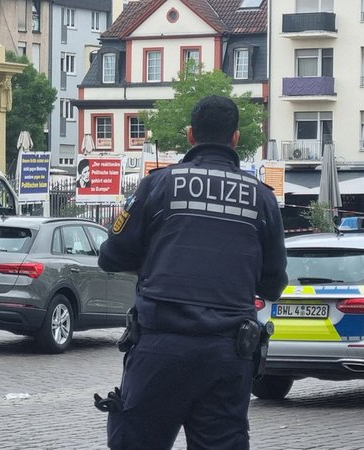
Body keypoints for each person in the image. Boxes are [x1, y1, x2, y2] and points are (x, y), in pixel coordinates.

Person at [97, 96, 288, 449]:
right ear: (235, 137)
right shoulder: (262, 200)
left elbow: (110, 256)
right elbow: (274, 285)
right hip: (228, 354)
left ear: (189, 136)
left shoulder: (157, 186)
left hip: (159, 348)